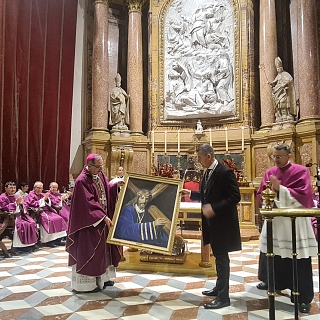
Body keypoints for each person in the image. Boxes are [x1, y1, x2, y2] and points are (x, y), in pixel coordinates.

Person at [256, 143, 317, 314]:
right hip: (275, 222)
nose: (275, 160)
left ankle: (303, 299)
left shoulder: (301, 171)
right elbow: (261, 193)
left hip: (294, 222)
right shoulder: (270, 172)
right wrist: (268, 196)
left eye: (279, 156)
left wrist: (279, 189)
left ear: (289, 156)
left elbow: (304, 196)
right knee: (274, 256)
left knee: (298, 259)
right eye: (274, 156)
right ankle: (274, 283)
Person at [180, 144, 241, 309]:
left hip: (223, 223)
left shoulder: (225, 172)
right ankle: (219, 288)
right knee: (219, 258)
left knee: (222, 259)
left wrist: (214, 208)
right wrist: (191, 194)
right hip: (213, 224)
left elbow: (235, 197)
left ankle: (223, 297)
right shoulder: (208, 172)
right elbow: (208, 194)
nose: (198, 161)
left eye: (200, 157)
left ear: (209, 156)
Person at [66, 154, 123, 293]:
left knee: (105, 251)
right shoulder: (81, 181)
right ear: (89, 165)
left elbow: (105, 192)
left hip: (103, 221)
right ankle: (88, 285)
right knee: (91, 251)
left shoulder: (101, 175)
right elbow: (88, 203)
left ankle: (104, 278)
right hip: (89, 224)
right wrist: (102, 217)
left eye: (102, 166)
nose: (100, 169)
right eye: (98, 166)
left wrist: (115, 186)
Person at [24, 181, 68, 246]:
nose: (39, 190)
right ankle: (48, 241)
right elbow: (31, 204)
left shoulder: (42, 194)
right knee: (50, 220)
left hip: (47, 211)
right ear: (34, 188)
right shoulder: (31, 195)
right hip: (39, 212)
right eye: (38, 188)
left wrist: (46, 199)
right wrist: (43, 200)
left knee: (59, 218)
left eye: (41, 188)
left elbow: (49, 203)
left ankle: (58, 239)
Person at [0, 181, 38, 253]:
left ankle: (29, 244)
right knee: (22, 224)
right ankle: (19, 246)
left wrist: (22, 204)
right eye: (11, 188)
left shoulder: (16, 196)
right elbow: (4, 208)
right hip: (9, 218)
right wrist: (15, 204)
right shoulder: (2, 197)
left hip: (20, 215)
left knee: (32, 222)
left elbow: (24, 205)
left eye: (14, 188)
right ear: (5, 188)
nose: (13, 189)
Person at [269, 57, 297, 123]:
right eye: (277, 68)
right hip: (278, 92)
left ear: (282, 68)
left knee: (283, 103)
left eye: (279, 68)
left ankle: (286, 114)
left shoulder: (285, 74)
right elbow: (274, 82)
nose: (278, 69)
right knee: (279, 104)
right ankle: (280, 115)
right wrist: (271, 84)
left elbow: (290, 80)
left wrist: (284, 84)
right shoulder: (278, 76)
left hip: (284, 92)